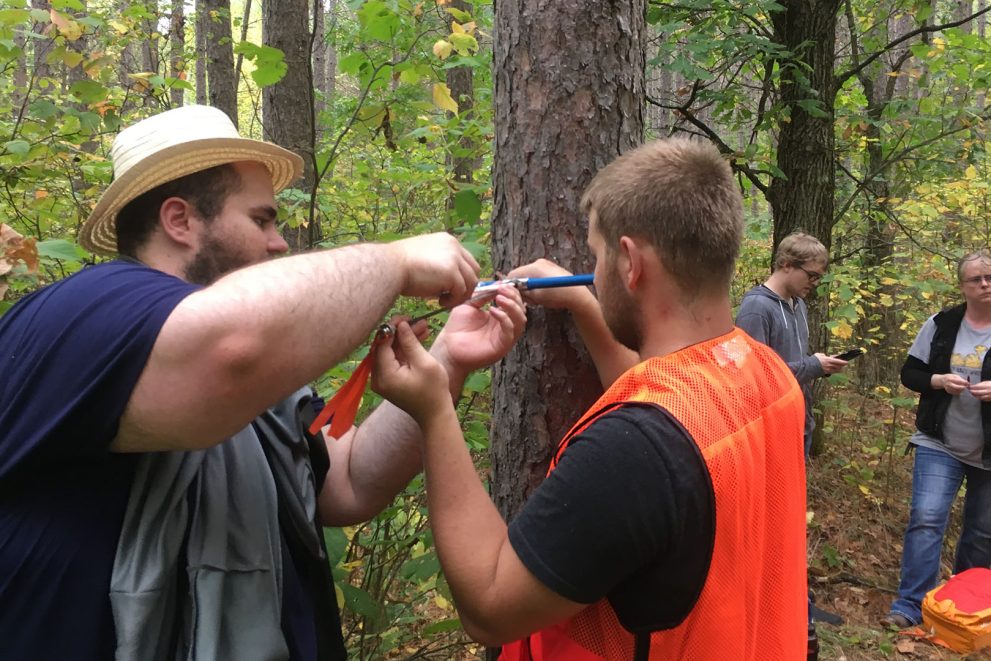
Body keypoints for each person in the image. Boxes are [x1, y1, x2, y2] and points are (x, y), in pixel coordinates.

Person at [0, 104, 525, 661]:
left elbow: (347, 483)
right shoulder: (85, 312)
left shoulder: (244, 379)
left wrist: (449, 360)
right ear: (179, 220)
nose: (279, 243)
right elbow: (232, 349)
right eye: (261, 220)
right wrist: (395, 262)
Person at [370, 138, 809, 659]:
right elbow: (676, 403)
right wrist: (582, 299)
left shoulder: (634, 450)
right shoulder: (769, 375)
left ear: (630, 262)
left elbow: (489, 606)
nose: (593, 273)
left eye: (596, 258)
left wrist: (435, 407)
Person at [882, 250, 991, 629]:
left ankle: (963, 612)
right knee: (926, 518)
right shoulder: (942, 324)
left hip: (989, 453)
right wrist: (939, 381)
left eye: (989, 277)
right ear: (962, 286)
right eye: (975, 279)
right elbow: (910, 372)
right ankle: (910, 605)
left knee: (981, 533)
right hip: (939, 440)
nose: (984, 284)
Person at [735, 231, 850, 459]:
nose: (814, 283)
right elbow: (751, 377)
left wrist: (821, 365)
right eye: (811, 275)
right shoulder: (756, 308)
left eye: (818, 277)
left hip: (799, 421)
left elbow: (790, 362)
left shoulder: (798, 305)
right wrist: (812, 366)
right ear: (787, 265)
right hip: (769, 432)